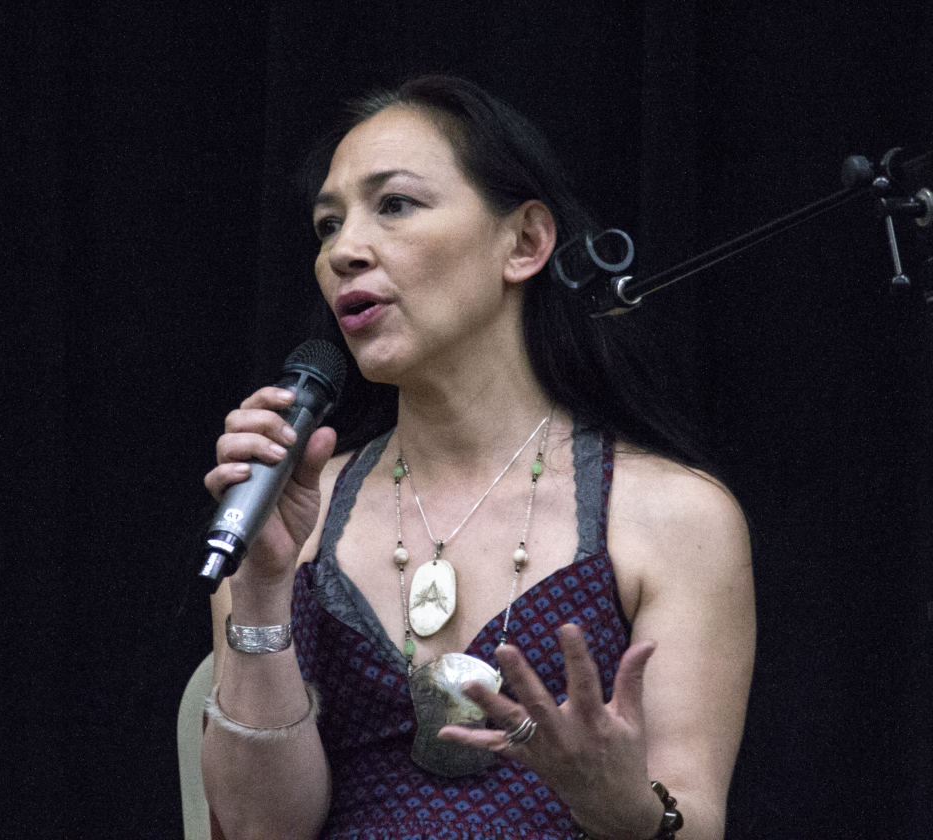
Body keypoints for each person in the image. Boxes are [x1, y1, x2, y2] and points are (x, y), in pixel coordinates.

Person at [200, 75, 755, 840]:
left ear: (524, 242)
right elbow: (261, 831)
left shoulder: (673, 514)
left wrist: (619, 805)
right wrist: (261, 590)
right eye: (328, 225)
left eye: (394, 205)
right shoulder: (283, 512)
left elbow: (694, 818)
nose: (343, 253)